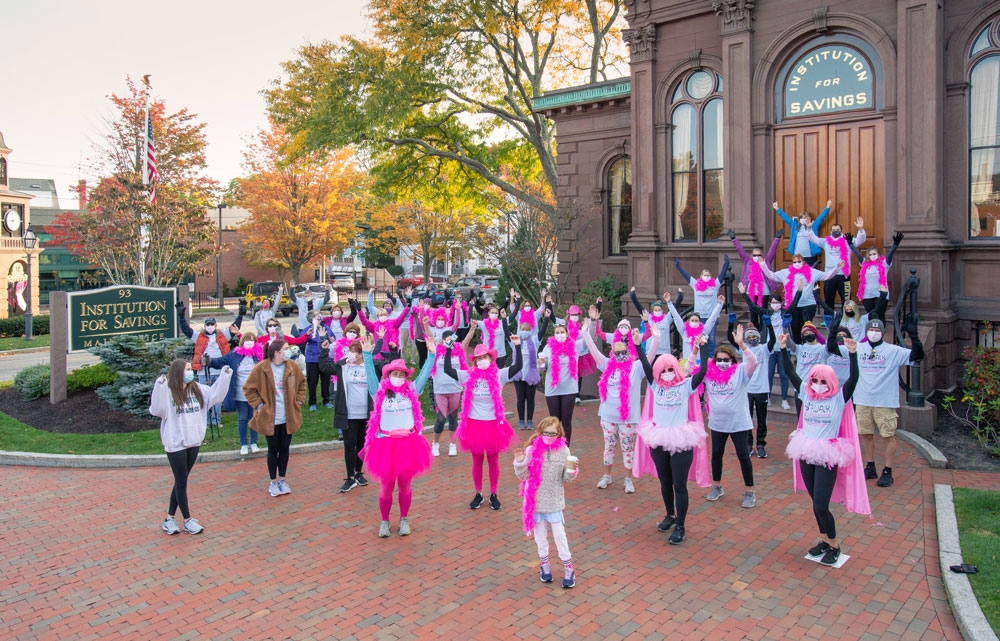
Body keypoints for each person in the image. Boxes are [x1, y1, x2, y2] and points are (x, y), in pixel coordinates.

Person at [779, 333, 870, 566]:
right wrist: (782, 349)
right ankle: (824, 539)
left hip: (827, 455)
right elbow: (790, 373)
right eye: (815, 381)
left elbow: (854, 378)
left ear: (831, 383)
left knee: (821, 504)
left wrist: (853, 354)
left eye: (823, 382)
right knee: (814, 501)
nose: (818, 385)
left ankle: (835, 544)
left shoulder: (839, 398)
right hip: (806, 452)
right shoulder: (806, 395)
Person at [632, 328, 709, 544]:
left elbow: (702, 372)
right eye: (662, 369)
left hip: (681, 439)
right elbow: (647, 368)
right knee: (665, 482)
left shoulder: (686, 385)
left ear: (676, 369)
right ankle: (670, 515)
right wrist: (638, 345)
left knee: (679, 484)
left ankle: (681, 526)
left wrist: (703, 347)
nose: (666, 372)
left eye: (669, 369)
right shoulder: (656, 386)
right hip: (658, 438)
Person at [362, 334, 436, 538]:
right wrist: (367, 356)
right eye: (395, 374)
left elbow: (424, 375)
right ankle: (384, 521)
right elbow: (370, 376)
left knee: (405, 485)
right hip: (386, 445)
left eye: (402, 374)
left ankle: (404, 518)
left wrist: (431, 355)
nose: (398, 377)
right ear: (388, 375)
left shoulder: (412, 390)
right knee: (386, 487)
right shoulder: (378, 391)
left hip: (408, 445)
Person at [149, 359, 232, 535]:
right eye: (187, 369)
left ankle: (169, 519)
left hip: (193, 441)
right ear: (178, 372)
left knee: (181, 480)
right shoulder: (169, 392)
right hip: (175, 443)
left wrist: (225, 376)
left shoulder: (198, 390)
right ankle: (187, 520)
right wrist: (159, 385)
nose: (190, 372)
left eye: (190, 369)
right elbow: (156, 408)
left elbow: (216, 394)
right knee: (181, 481)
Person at [445, 330, 523, 511]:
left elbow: (517, 366)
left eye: (485, 357)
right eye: (478, 358)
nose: (482, 361)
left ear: (491, 358)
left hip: (493, 424)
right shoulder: (468, 375)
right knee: (477, 461)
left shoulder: (499, 375)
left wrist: (518, 347)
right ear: (475, 361)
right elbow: (448, 370)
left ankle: (493, 494)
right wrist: (448, 349)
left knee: (493, 461)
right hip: (474, 424)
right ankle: (478, 493)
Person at [582, 323, 656, 494]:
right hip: (608, 416)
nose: (620, 355)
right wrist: (586, 333)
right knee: (609, 446)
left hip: (628, 418)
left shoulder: (637, 368)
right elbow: (593, 351)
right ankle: (607, 476)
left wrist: (656, 338)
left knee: (627, 449)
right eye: (617, 352)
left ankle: (628, 479)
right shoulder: (607, 364)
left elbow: (650, 357)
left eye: (624, 352)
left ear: (629, 352)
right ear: (612, 354)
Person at [854, 317, 924, 488]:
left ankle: (888, 470)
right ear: (866, 332)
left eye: (878, 331)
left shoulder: (893, 351)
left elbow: (917, 356)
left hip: (884, 402)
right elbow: (833, 349)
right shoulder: (858, 348)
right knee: (865, 433)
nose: (874, 333)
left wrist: (914, 337)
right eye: (871, 330)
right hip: (863, 400)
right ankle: (870, 466)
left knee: (887, 435)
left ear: (883, 333)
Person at [513, 416, 579, 588]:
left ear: (559, 434)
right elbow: (524, 476)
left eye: (553, 433)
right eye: (546, 432)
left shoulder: (564, 451)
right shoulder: (531, 450)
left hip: (555, 501)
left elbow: (565, 478)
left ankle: (568, 568)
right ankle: (545, 565)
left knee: (560, 536)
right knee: (540, 538)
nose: (549, 436)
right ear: (540, 432)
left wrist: (573, 471)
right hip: (535, 501)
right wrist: (520, 462)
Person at [703, 324, 759, 508]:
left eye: (726, 359)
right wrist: (697, 348)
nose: (722, 363)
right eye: (719, 359)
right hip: (717, 423)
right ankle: (717, 486)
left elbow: (753, 362)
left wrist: (742, 344)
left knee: (743, 455)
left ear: (732, 361)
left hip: (739, 423)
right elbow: (688, 368)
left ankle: (749, 491)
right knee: (717, 454)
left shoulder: (740, 372)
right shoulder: (709, 374)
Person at [243, 339, 307, 497]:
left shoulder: (292, 366)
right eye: (285, 348)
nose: (289, 351)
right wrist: (259, 406)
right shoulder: (261, 368)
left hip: (288, 416)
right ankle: (273, 481)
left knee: (284, 448)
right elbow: (249, 389)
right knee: (273, 450)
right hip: (270, 417)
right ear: (277, 352)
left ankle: (282, 479)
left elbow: (301, 384)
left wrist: (298, 400)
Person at [318, 336, 373, 493]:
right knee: (349, 445)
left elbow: (385, 366)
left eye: (356, 352)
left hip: (365, 414)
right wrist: (324, 350)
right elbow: (325, 367)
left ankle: (358, 473)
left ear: (362, 354)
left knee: (362, 445)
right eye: (350, 351)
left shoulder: (369, 367)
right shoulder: (343, 366)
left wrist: (390, 348)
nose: (352, 354)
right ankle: (349, 477)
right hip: (348, 414)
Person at [177, 306, 244, 429]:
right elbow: (187, 330)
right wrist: (181, 316)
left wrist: (240, 314)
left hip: (218, 370)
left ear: (216, 325)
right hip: (204, 372)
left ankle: (215, 420)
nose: (210, 326)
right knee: (204, 397)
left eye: (212, 324)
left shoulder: (223, 335)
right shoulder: (198, 336)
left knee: (217, 397)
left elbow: (234, 327)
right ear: (205, 326)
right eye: (208, 324)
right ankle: (206, 421)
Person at [757, 255, 842, 343]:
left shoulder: (812, 272)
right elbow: (771, 276)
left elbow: (826, 276)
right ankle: (798, 351)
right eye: (795, 262)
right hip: (793, 307)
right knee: (795, 330)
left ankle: (807, 348)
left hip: (808, 305)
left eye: (799, 261)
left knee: (807, 330)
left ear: (804, 262)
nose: (797, 264)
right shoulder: (785, 273)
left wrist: (837, 268)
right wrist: (763, 265)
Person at [205, 331, 262, 456]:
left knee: (254, 418)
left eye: (251, 340)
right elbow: (220, 361)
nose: (249, 342)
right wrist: (210, 361)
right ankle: (243, 444)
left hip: (255, 394)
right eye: (247, 340)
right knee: (242, 419)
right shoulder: (234, 355)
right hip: (240, 393)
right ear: (242, 342)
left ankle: (254, 442)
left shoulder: (260, 356)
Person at [726, 316, 773, 458]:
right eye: (749, 336)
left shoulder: (764, 349)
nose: (752, 338)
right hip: (746, 389)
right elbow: (730, 337)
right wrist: (730, 323)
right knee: (747, 417)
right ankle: (748, 444)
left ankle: (760, 444)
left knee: (761, 418)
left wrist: (769, 326)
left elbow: (773, 341)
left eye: (754, 335)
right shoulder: (743, 349)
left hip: (762, 389)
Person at [739, 284, 791, 410]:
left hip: (784, 348)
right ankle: (768, 397)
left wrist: (799, 291)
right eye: (773, 302)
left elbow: (794, 305)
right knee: (769, 373)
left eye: (777, 302)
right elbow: (753, 307)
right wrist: (744, 293)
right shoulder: (767, 313)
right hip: (770, 349)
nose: (775, 305)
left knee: (784, 374)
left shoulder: (785, 313)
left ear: (781, 303)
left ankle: (784, 399)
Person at [538, 318, 588, 444]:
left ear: (567, 334)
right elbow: (542, 369)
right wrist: (541, 365)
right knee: (555, 421)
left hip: (569, 389)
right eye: (557, 333)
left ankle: (565, 448)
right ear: (554, 335)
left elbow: (588, 340)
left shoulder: (575, 346)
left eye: (562, 332)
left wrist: (590, 325)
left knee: (566, 420)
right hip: (552, 389)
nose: (560, 335)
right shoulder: (547, 349)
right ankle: (555, 445)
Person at [802, 217, 866, 312]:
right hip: (829, 275)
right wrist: (809, 229)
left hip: (844, 276)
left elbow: (860, 240)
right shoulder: (825, 242)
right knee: (828, 299)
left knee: (846, 299)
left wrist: (860, 229)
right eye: (834, 230)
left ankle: (846, 318)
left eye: (838, 230)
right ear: (831, 231)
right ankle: (829, 319)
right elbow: (813, 238)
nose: (836, 231)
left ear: (841, 231)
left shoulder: (847, 241)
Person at [674, 256, 731, 359]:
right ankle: (698, 357)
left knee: (711, 339)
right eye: (704, 275)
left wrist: (726, 263)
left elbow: (722, 275)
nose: (706, 277)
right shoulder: (696, 284)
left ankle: (710, 359)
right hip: (698, 318)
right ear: (701, 276)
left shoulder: (715, 285)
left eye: (708, 275)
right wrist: (678, 266)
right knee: (697, 338)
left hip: (711, 317)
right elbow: (686, 276)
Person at [427, 325, 471, 457]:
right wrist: (425, 324)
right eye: (447, 339)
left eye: (451, 339)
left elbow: (466, 341)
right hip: (440, 390)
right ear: (442, 340)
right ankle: (436, 444)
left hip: (455, 389)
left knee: (453, 418)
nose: (449, 341)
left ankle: (452, 444)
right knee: (440, 419)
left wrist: (473, 328)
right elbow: (430, 338)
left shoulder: (458, 352)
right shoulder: (437, 351)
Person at [729, 228, 783, 328]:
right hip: (751, 292)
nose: (757, 257)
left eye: (759, 255)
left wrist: (777, 238)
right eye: (755, 255)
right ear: (751, 256)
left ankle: (763, 332)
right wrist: (734, 239)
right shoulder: (747, 262)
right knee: (753, 314)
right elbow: (740, 251)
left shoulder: (765, 263)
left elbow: (772, 251)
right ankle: (754, 333)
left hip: (764, 292)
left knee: (763, 314)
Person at [850, 232, 904, 321]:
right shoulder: (865, 264)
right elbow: (857, 254)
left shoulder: (884, 264)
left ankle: (881, 332)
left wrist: (895, 245)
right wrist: (851, 244)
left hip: (881, 294)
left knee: (880, 315)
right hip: (867, 295)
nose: (872, 256)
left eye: (874, 254)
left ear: (878, 254)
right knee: (870, 316)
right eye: (870, 254)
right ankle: (871, 333)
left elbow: (890, 254)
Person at [773, 199, 832, 266]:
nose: (804, 219)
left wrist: (827, 207)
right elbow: (786, 218)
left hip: (810, 256)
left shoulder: (813, 225)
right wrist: (777, 209)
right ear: (799, 219)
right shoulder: (795, 226)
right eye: (802, 217)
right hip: (797, 256)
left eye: (805, 217)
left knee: (809, 274)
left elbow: (821, 217)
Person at [510, 319, 542, 431]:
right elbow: (505, 330)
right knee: (520, 399)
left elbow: (542, 331)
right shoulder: (515, 341)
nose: (525, 332)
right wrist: (504, 318)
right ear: (519, 330)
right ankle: (520, 421)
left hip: (531, 376)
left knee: (530, 399)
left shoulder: (534, 341)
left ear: (530, 331)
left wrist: (547, 317)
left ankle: (529, 420)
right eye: (523, 330)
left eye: (527, 330)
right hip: (519, 375)